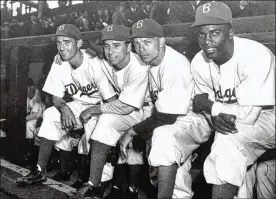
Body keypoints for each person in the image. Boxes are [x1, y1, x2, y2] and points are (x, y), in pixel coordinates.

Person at [190, 2, 275, 198]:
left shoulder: (255, 55)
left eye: (214, 33)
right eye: (201, 34)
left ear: (230, 32)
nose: (207, 41)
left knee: (227, 141)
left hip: (270, 115)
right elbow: (206, 107)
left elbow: (248, 116)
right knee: (225, 143)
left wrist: (210, 108)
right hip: (237, 118)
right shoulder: (198, 61)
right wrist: (213, 115)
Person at [120, 19, 212, 199]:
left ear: (161, 41)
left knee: (163, 145)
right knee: (167, 170)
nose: (141, 49)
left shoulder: (175, 65)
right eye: (137, 44)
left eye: (147, 42)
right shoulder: (151, 60)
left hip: (195, 118)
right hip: (174, 117)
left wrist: (131, 132)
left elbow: (167, 117)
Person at [16, 24, 117, 186]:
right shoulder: (59, 63)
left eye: (67, 42)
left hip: (105, 107)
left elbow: (113, 102)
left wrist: (93, 111)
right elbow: (55, 95)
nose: (62, 48)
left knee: (95, 141)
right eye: (59, 42)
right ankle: (40, 170)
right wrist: (64, 108)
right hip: (79, 105)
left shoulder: (95, 63)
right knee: (50, 114)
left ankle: (96, 184)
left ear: (78, 43)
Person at [72, 24, 153, 199]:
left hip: (150, 112)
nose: (110, 51)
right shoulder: (106, 61)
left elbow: (127, 106)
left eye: (116, 45)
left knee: (151, 158)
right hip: (127, 109)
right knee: (104, 123)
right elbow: (83, 55)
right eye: (107, 46)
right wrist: (60, 58)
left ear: (129, 46)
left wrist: (96, 109)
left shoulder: (138, 67)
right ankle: (94, 183)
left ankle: (131, 188)